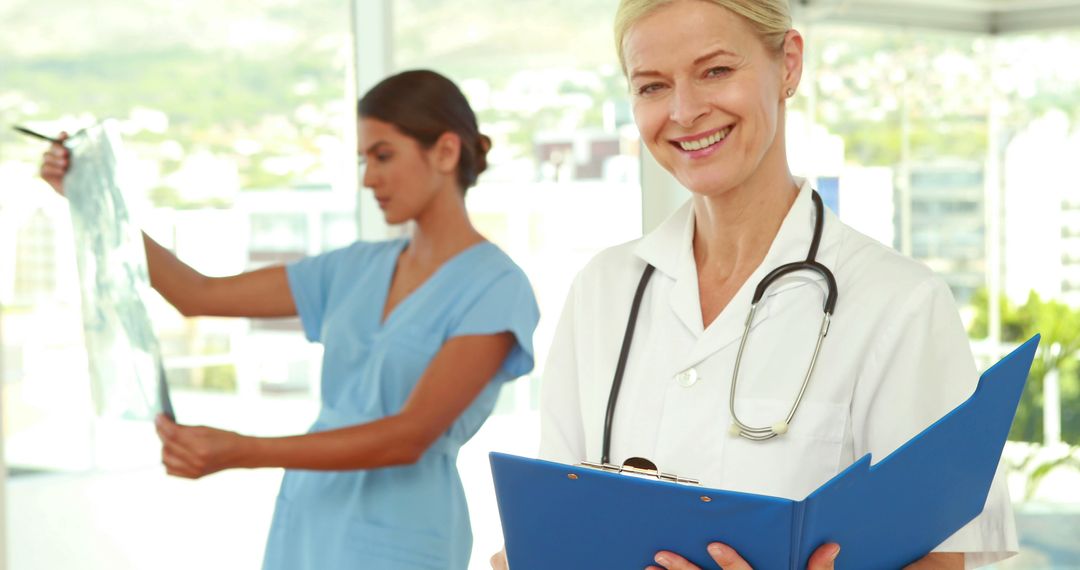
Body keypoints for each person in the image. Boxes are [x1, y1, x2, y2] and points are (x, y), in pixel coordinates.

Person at [493, 1, 1017, 569]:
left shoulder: (900, 303)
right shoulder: (603, 291)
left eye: (715, 70)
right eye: (651, 86)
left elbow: (940, 559)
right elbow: (550, 532)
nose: (685, 111)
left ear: (788, 64)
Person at [41, 69, 540, 570]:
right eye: (364, 160)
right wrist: (89, 196)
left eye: (383, 155)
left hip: (405, 536)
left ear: (446, 152)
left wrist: (240, 450)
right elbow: (195, 293)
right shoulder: (353, 268)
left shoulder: (497, 288)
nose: (369, 178)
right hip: (306, 524)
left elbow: (408, 435)